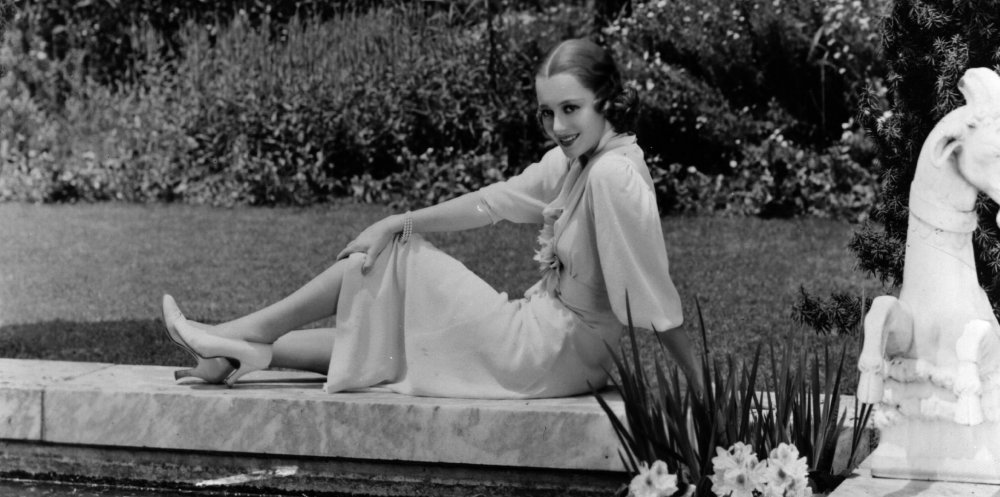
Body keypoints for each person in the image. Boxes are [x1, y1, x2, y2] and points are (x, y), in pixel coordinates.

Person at [162, 37, 702, 399]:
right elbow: (494, 202)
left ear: (606, 102)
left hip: (552, 353)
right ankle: (243, 350)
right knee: (394, 334)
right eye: (546, 112)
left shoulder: (611, 176)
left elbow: (655, 298)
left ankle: (238, 331)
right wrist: (400, 217)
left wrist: (706, 399)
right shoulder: (579, 161)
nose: (556, 125)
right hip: (549, 338)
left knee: (394, 258)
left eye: (570, 109)